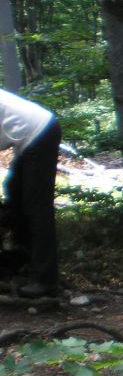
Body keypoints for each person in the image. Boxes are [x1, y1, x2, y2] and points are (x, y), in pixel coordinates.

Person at [0, 89, 61, 298]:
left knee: (36, 208)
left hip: (39, 132)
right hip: (30, 136)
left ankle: (45, 280)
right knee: (14, 198)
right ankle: (19, 261)